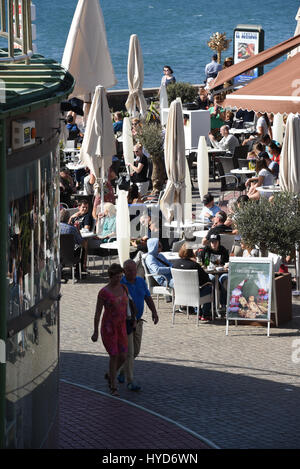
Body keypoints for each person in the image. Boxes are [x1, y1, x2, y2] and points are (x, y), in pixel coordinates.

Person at [117, 259, 159, 391]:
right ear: (124, 271)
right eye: (129, 270)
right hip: (125, 322)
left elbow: (147, 297)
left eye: (135, 270)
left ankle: (120, 371)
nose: (133, 272)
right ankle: (130, 381)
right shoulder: (120, 284)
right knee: (129, 353)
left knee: (136, 351)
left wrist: (154, 312)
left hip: (138, 321)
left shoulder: (141, 281)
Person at [91, 264, 129, 397]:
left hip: (122, 326)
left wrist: (133, 318)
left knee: (123, 356)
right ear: (110, 276)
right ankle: (113, 385)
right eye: (117, 277)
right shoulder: (104, 292)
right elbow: (97, 313)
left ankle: (110, 374)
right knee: (114, 355)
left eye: (121, 276)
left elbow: (128, 305)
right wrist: (95, 331)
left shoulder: (124, 288)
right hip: (109, 327)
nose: (119, 279)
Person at [172, 243, 212, 322]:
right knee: (211, 288)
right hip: (194, 294)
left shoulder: (175, 264)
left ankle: (199, 311)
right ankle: (205, 314)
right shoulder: (194, 265)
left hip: (180, 293)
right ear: (191, 252)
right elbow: (206, 279)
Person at [200, 234, 229, 313]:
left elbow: (225, 263)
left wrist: (223, 265)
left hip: (221, 272)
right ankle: (213, 304)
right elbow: (204, 263)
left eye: (215, 242)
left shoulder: (223, 250)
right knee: (212, 279)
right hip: (211, 272)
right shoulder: (206, 250)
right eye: (212, 242)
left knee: (224, 279)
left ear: (219, 242)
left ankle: (223, 305)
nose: (214, 244)